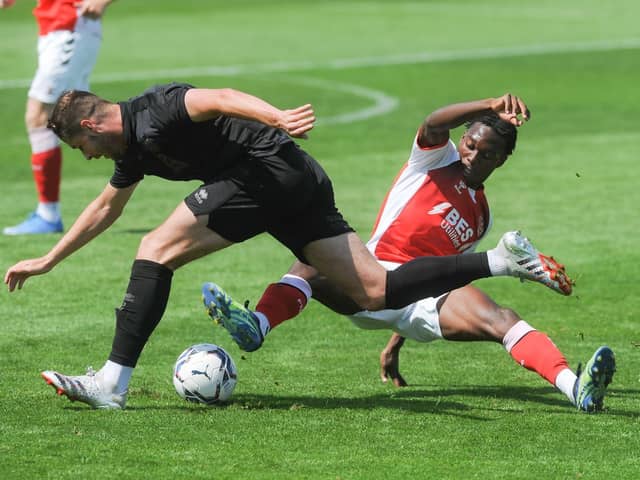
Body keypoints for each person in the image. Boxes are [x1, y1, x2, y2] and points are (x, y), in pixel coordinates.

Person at [5, 85, 565, 410]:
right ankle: (501, 262)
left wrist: (273, 116)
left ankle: (111, 383)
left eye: (80, 145)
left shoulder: (156, 109)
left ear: (88, 122)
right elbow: (106, 207)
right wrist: (50, 259)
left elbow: (217, 97)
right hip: (301, 180)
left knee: (155, 248)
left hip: (265, 170)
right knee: (373, 292)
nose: (87, 155)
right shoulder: (131, 148)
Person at [202, 94, 614, 413]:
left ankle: (576, 389)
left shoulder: (481, 216)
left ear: (502, 160)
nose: (473, 155)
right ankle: (256, 325)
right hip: (369, 277)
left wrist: (397, 342)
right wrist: (489, 104)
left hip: (421, 302)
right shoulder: (435, 158)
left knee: (502, 319)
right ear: (463, 138)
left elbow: (447, 272)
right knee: (312, 258)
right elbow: (434, 121)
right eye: (471, 143)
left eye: (487, 153)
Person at [2, 0, 116, 235]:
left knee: (39, 114)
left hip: (70, 25)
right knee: (76, 115)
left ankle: (48, 214)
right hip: (57, 29)